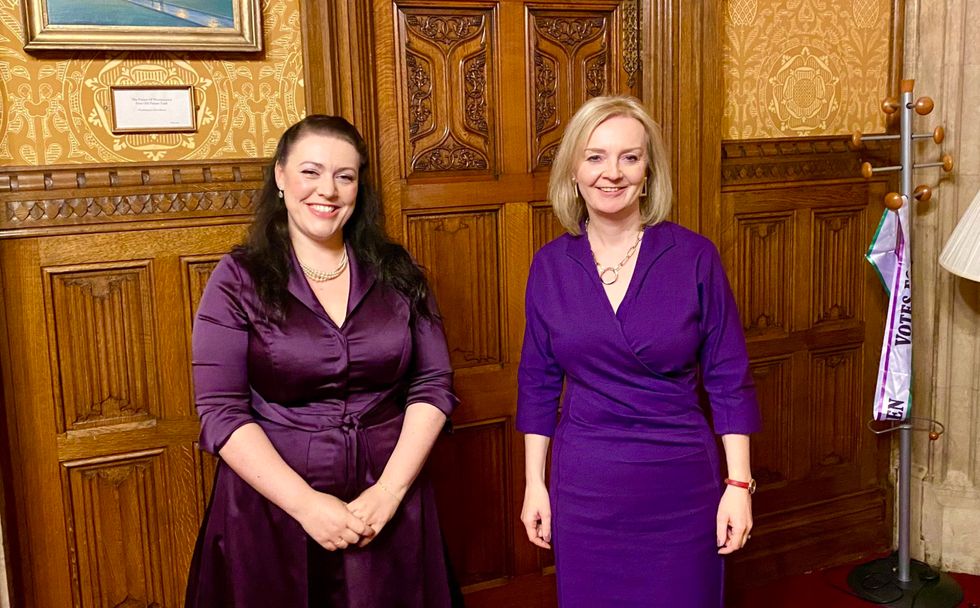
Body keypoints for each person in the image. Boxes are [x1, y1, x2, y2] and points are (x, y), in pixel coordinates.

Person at [184, 115, 460, 607]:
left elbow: (433, 383)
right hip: (272, 512)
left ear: (358, 187)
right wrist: (306, 505)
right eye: (310, 172)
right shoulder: (237, 278)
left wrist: (389, 493)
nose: (327, 190)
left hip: (387, 505)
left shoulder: (397, 271)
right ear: (280, 176)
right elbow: (221, 411)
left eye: (344, 176)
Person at [517, 96, 762, 607]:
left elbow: (728, 377)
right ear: (573, 171)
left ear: (648, 171)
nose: (612, 173)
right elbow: (537, 383)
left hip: (680, 483)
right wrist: (534, 485)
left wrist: (738, 484)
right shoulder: (550, 265)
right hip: (586, 487)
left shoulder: (694, 256)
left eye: (629, 157)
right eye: (595, 157)